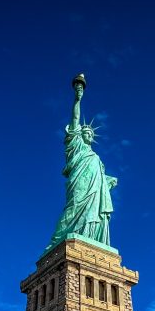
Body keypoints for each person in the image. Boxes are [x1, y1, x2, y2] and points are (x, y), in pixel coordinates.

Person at [46, 74, 118, 252]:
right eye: (85, 131)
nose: (88, 133)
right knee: (73, 207)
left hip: (95, 192)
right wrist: (77, 98)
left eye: (90, 133)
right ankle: (57, 240)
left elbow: (100, 177)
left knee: (96, 215)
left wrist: (107, 181)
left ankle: (91, 240)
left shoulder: (96, 158)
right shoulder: (75, 145)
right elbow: (75, 119)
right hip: (79, 184)